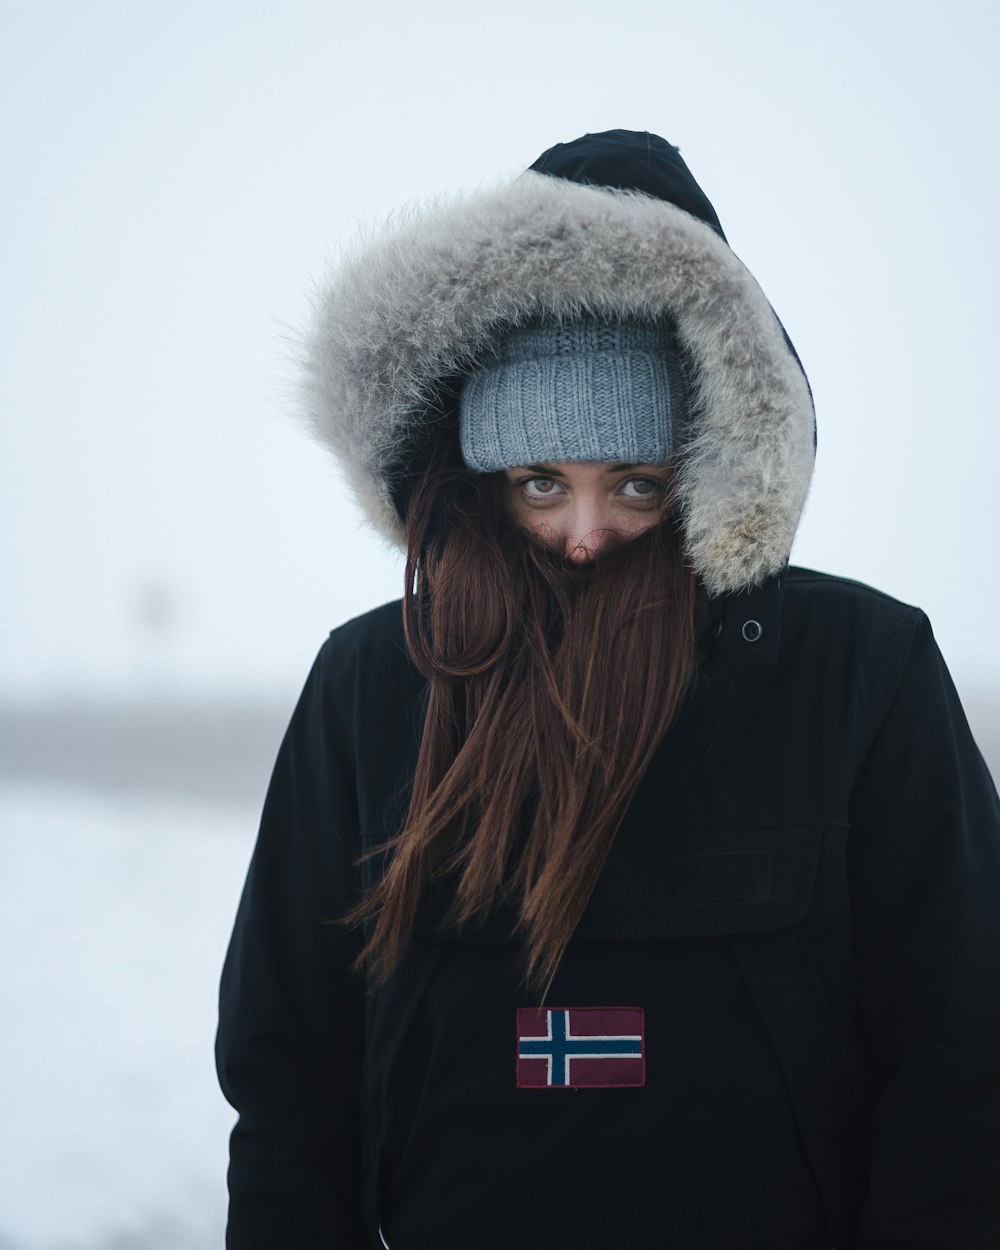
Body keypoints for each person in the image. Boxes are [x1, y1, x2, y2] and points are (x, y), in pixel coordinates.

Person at [216, 130, 1000, 1249]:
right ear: (479, 483)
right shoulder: (375, 684)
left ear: (708, 467)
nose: (585, 535)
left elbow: (964, 1060)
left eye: (634, 483)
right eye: (541, 482)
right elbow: (291, 1078)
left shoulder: (856, 670)